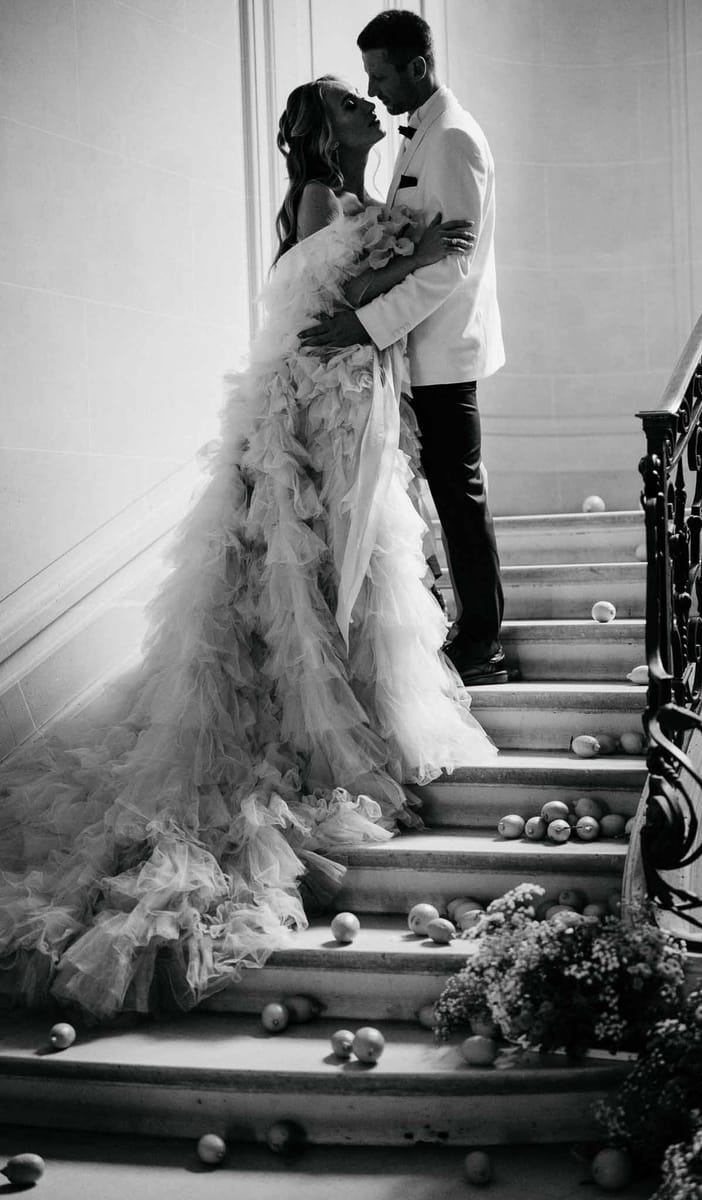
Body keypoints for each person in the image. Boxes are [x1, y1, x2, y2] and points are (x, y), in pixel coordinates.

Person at [0, 76, 496, 1022]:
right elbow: (333, 301)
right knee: (296, 578)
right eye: (352, 106)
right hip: (306, 414)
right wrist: (415, 256)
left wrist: (411, 251)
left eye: (366, 102)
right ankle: (312, 740)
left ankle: (358, 719)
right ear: (323, 129)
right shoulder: (320, 199)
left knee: (347, 575)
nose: (367, 115)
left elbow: (355, 301)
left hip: (349, 404)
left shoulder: (361, 197)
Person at [300, 10, 507, 687]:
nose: (375, 89)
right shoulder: (421, 140)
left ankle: (482, 643)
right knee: (442, 493)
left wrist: (364, 327)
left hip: (444, 352)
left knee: (458, 493)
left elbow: (449, 266)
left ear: (416, 68)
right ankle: (468, 629)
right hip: (411, 354)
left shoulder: (451, 140)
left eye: (380, 75)